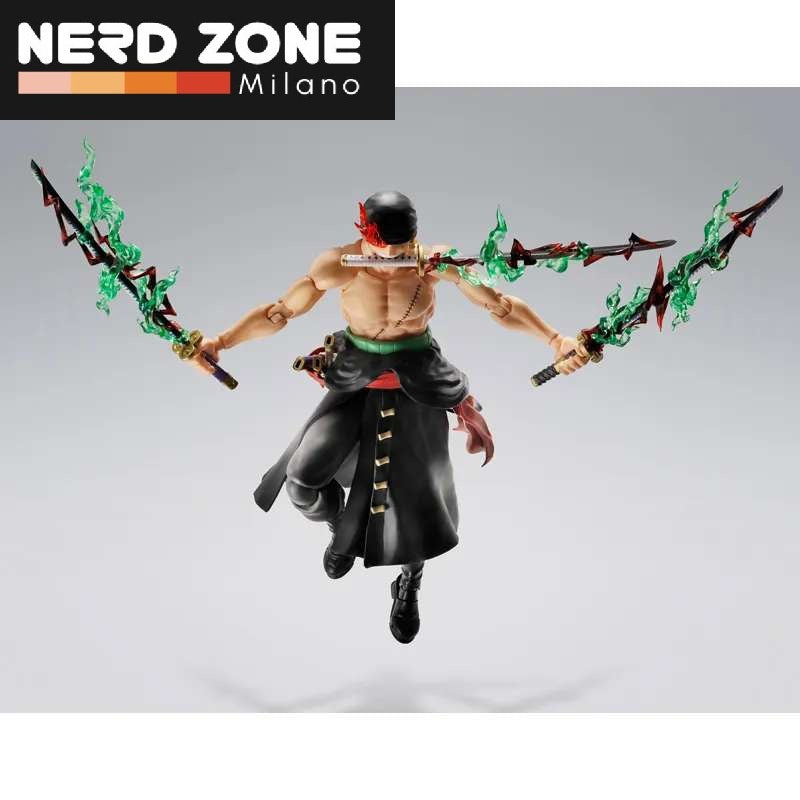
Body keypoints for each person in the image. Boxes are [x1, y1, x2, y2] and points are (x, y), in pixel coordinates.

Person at [190, 191, 589, 643]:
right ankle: (342, 528)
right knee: (302, 479)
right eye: (384, 248)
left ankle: (409, 583)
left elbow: (498, 305)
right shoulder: (338, 265)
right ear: (366, 234)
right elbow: (279, 312)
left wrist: (555, 339)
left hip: (417, 379)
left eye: (403, 247)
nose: (393, 257)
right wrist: (221, 342)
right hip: (357, 378)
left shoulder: (435, 264)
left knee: (418, 506)